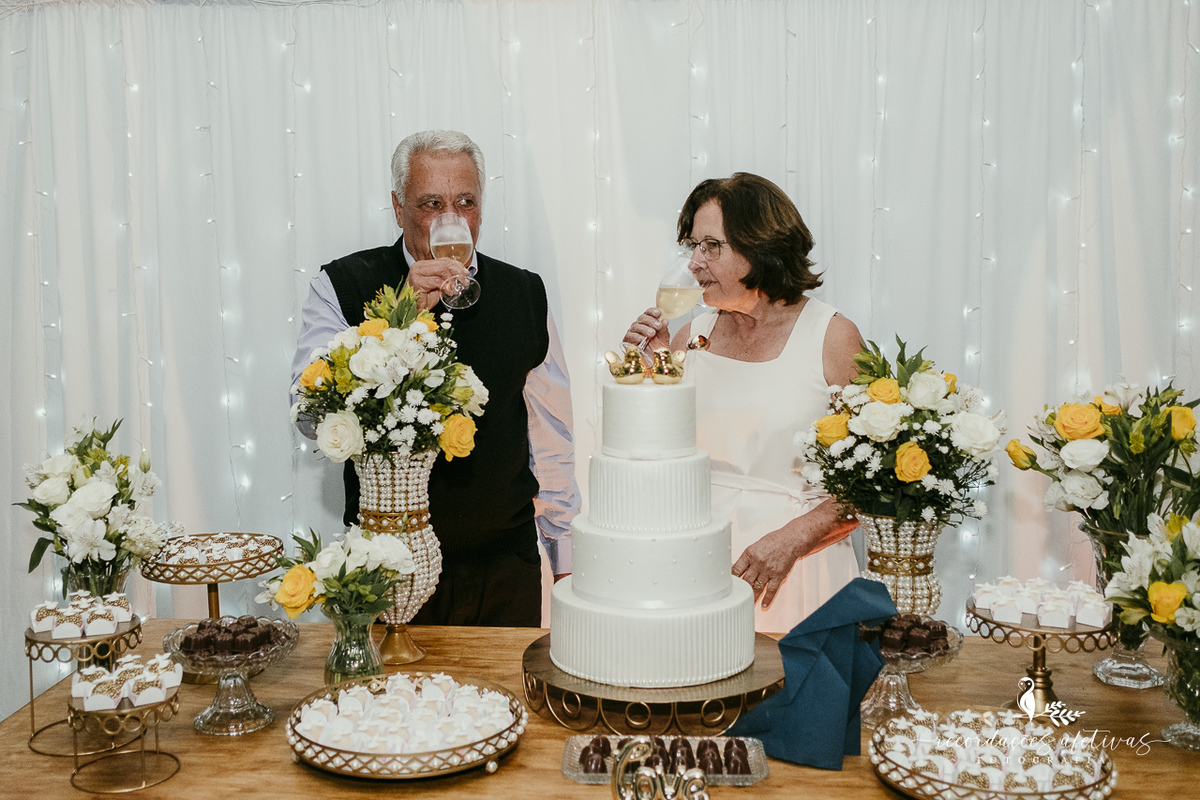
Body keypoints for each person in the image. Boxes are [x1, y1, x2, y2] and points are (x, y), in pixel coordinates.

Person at [292, 130, 579, 627]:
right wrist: (397, 320)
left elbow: (550, 434)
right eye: (431, 203)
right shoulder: (340, 285)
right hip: (385, 566)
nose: (452, 219)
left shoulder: (524, 293)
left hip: (504, 566)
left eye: (466, 202)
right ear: (398, 207)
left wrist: (566, 556)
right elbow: (308, 413)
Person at [623, 172, 862, 632]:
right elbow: (655, 457)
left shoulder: (832, 337)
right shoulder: (692, 335)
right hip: (695, 568)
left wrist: (794, 539)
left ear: (761, 247)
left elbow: (873, 482)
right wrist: (648, 373)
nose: (694, 262)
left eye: (711, 245)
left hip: (796, 573)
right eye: (692, 245)